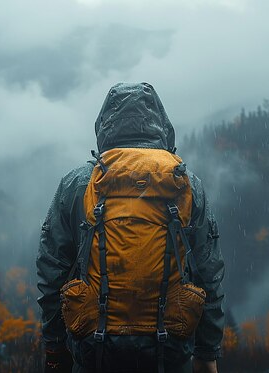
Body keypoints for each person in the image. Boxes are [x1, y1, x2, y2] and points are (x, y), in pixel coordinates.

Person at [37, 82, 225, 373]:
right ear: (161, 124)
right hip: (170, 347)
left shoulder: (78, 184)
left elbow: (52, 272)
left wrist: (55, 346)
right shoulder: (186, 184)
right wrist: (207, 352)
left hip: (94, 347)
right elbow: (208, 274)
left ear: (104, 125)